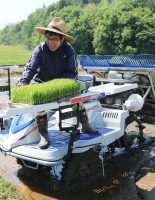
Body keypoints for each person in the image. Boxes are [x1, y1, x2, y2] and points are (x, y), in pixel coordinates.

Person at [16, 17, 98, 149]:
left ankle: (85, 124)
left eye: (54, 39)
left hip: (62, 84)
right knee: (39, 102)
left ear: (62, 39)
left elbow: (72, 73)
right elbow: (30, 68)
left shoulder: (68, 50)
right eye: (48, 38)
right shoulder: (40, 49)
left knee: (76, 97)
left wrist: (58, 86)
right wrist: (23, 82)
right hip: (41, 83)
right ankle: (43, 133)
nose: (51, 42)